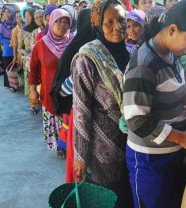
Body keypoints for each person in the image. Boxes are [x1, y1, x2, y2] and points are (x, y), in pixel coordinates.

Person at [123, 1, 186, 207]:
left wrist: (185, 97)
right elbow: (137, 120)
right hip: (149, 160)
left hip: (169, 154)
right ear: (172, 30)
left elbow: (165, 89)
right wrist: (181, 138)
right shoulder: (144, 64)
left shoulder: (170, 53)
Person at [71, 0, 133, 206]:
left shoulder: (132, 53)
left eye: (122, 20)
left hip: (133, 142)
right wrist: (80, 155)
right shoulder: (88, 58)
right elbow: (81, 110)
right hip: (102, 147)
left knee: (127, 195)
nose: (118, 27)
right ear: (97, 23)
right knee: (108, 197)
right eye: (109, 22)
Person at [50, 8, 97, 183]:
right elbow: (59, 90)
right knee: (81, 169)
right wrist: (81, 77)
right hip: (80, 120)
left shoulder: (106, 49)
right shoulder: (73, 52)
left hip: (102, 121)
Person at [29, 9, 73, 157]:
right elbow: (34, 67)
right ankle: (59, 147)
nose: (62, 25)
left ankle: (69, 146)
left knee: (68, 119)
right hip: (49, 92)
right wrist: (32, 88)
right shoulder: (41, 45)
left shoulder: (73, 42)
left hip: (69, 92)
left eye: (66, 21)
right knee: (55, 119)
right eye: (59, 21)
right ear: (51, 22)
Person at [0, 6, 16, 87]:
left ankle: (17, 84)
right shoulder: (2, 25)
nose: (7, 14)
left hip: (17, 49)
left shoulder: (17, 23)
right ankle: (9, 84)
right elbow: (0, 38)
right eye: (5, 12)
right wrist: (9, 42)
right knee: (7, 68)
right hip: (7, 49)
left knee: (16, 67)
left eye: (9, 12)